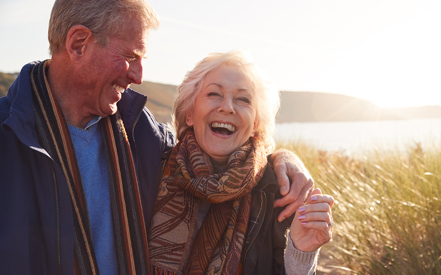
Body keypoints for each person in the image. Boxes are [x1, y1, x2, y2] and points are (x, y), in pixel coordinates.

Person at [0, 0, 316, 274]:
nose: (138, 76)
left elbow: (215, 153)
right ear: (78, 43)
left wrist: (282, 159)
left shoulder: (144, 134)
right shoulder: (7, 136)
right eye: (131, 55)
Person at [148, 51, 334, 275]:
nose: (227, 107)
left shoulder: (281, 191)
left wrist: (302, 253)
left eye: (243, 99)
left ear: (255, 123)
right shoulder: (152, 171)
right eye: (214, 94)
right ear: (189, 113)